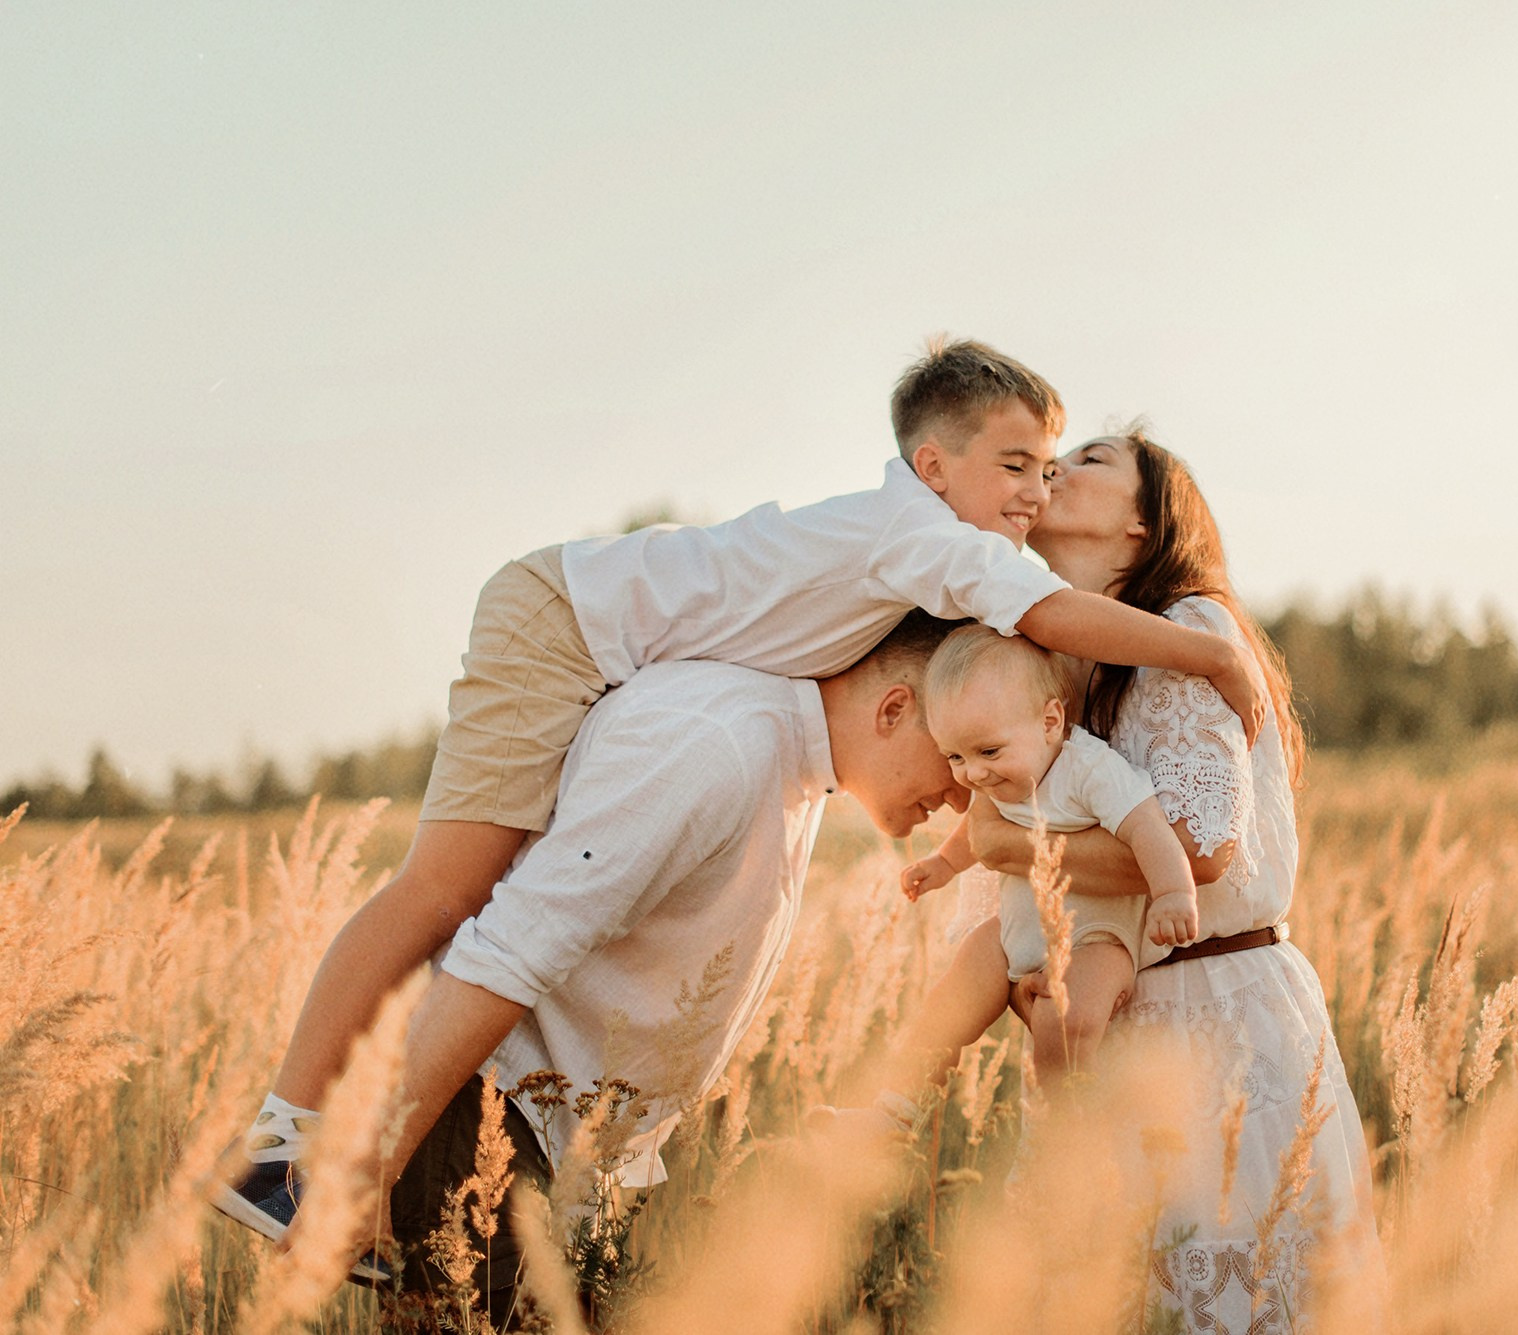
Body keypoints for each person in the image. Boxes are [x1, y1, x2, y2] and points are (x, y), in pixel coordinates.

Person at [226, 339, 1270, 1233]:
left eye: (1051, 471)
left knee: (491, 900)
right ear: (931, 463)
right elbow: (1046, 614)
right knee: (446, 892)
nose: (1036, 494)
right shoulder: (919, 537)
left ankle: (351, 1167)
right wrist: (1215, 658)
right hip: (561, 620)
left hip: (605, 647)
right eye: (1021, 466)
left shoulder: (893, 580)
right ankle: (286, 1150)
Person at [222, 611, 972, 1325]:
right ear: (894, 707)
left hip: (558, 1154)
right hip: (488, 1123)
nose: (966, 793)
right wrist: (374, 1164)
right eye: (959, 753)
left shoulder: (790, 763)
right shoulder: (717, 747)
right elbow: (515, 943)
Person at [964, 427, 1380, 1327]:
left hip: (1214, 1014)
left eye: (1092, 459)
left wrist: (1014, 850)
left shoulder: (1187, 626)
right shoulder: (1052, 667)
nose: (1056, 467)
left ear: (1145, 523)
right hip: (1117, 1027)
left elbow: (1200, 845)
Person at [891, 624, 1199, 1089]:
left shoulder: (1089, 770)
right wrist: (944, 864)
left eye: (987, 751)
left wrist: (1173, 892)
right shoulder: (998, 775)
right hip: (1016, 929)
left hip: (1096, 938)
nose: (972, 772)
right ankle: (902, 1102)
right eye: (953, 757)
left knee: (1065, 1021)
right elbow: (973, 826)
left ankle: (1064, 1117)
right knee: (950, 999)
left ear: (1050, 722)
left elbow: (1147, 828)